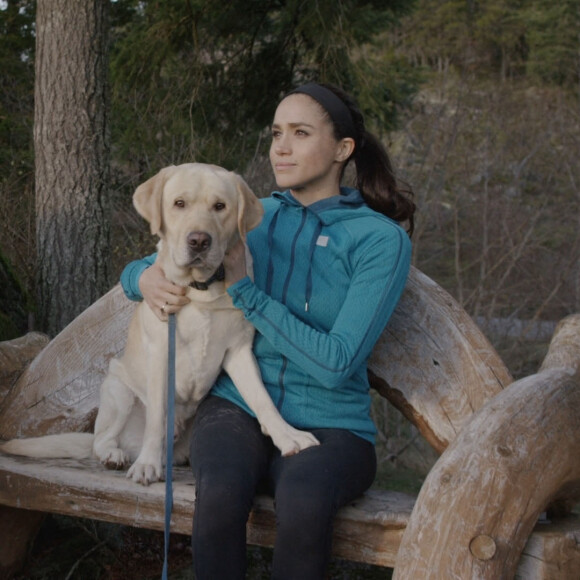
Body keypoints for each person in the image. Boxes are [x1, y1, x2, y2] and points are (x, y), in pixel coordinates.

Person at [120, 82, 415, 579]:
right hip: (236, 408)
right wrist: (141, 278)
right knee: (218, 493)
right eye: (277, 132)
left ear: (343, 149)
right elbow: (166, 257)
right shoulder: (253, 213)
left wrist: (249, 296)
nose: (281, 146)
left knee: (301, 500)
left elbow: (336, 362)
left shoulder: (378, 241)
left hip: (333, 424)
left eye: (300, 133)